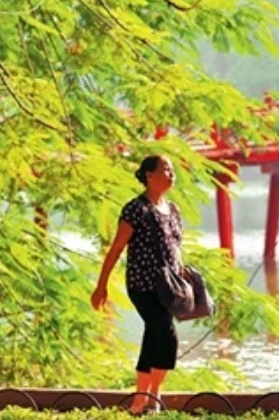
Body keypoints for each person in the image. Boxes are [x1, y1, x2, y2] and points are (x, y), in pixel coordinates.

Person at [91, 155, 185, 415]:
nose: (171, 174)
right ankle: (154, 397)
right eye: (166, 169)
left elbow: (175, 248)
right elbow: (117, 248)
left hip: (170, 287)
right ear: (149, 176)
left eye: (173, 170)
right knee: (166, 334)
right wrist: (102, 286)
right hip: (143, 285)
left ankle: (139, 401)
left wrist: (184, 275)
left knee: (154, 337)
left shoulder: (173, 209)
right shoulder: (136, 209)